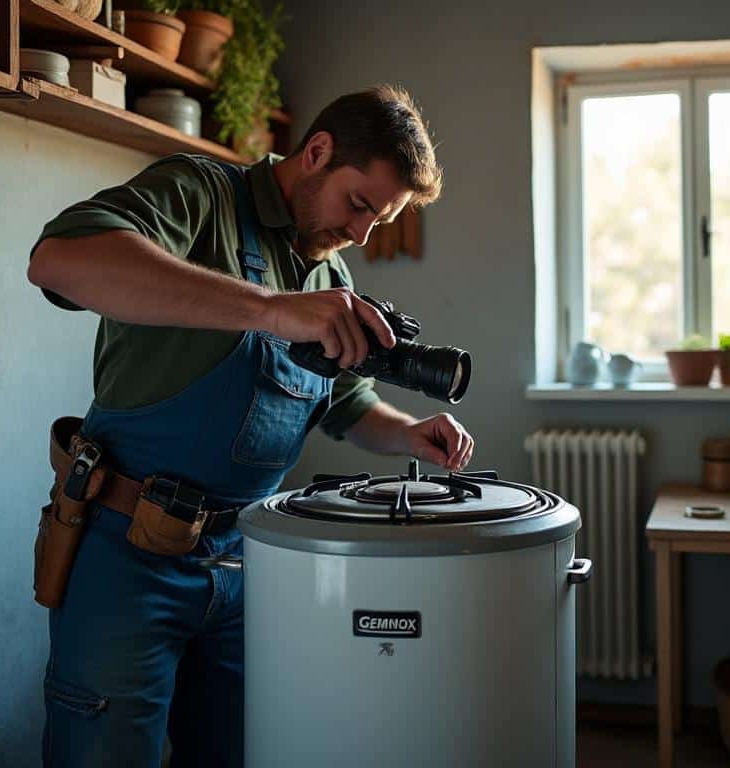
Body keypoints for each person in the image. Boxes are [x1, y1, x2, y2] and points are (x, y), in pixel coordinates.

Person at [26, 84, 474, 767]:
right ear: (317, 152)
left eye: (378, 221)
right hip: (126, 556)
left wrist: (408, 433)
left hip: (244, 562)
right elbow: (58, 261)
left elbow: (346, 404)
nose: (360, 233)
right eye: (358, 204)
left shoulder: (331, 269)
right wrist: (271, 308)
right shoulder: (201, 192)